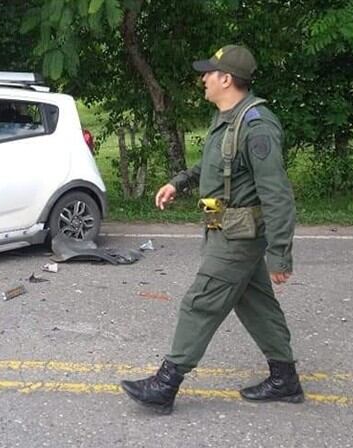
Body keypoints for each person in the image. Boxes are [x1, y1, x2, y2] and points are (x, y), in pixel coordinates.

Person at [120, 45, 302, 415]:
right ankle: (285, 378)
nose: (203, 79)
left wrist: (280, 253)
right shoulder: (228, 120)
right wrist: (180, 182)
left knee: (199, 303)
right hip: (224, 228)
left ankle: (166, 383)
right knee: (256, 305)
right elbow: (214, 166)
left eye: (209, 73)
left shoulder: (256, 126)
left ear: (227, 79)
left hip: (238, 236)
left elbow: (278, 195)